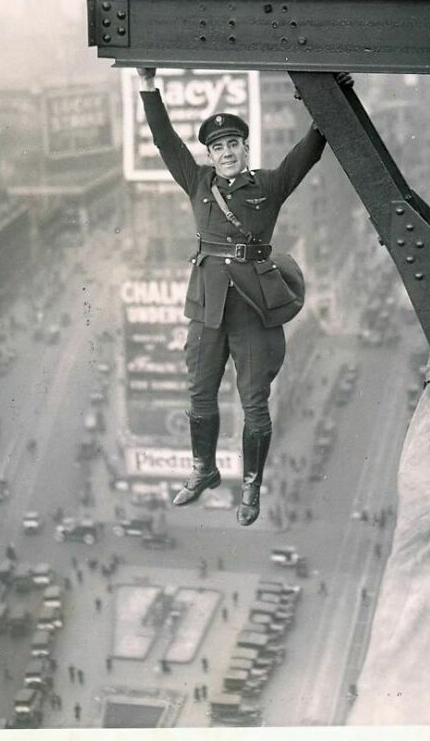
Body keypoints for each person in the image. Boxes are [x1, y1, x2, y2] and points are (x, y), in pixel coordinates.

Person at [136, 67, 352, 525]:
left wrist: (331, 101)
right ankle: (203, 470)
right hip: (207, 310)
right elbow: (163, 139)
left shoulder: (269, 185)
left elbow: (308, 152)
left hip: (255, 311)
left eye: (233, 144)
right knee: (199, 394)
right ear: (210, 155)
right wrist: (147, 83)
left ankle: (251, 486)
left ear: (245, 149)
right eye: (218, 147)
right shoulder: (197, 182)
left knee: (255, 405)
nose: (227, 152)